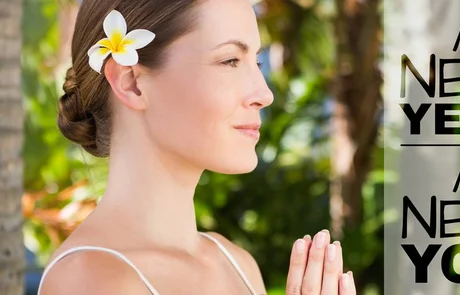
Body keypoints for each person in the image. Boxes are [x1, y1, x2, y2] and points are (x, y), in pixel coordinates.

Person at [37, 0, 356, 294]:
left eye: (256, 61)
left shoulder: (236, 265)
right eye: (230, 60)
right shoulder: (89, 279)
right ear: (131, 82)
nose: (263, 93)